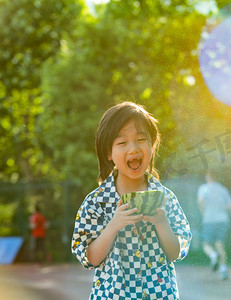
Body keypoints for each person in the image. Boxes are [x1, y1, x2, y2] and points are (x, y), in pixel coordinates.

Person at [71, 101, 192, 299]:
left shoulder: (166, 198)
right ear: (108, 153)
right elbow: (90, 258)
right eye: (122, 143)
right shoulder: (95, 203)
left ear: (152, 145)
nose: (133, 148)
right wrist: (113, 226)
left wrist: (162, 223)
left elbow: (175, 253)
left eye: (141, 139)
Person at [197, 170, 231, 280]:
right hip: (222, 220)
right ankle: (223, 270)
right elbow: (230, 206)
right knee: (220, 245)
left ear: (208, 177)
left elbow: (200, 201)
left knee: (206, 245)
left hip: (209, 220)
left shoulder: (204, 188)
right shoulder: (223, 189)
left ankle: (213, 256)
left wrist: (203, 211)